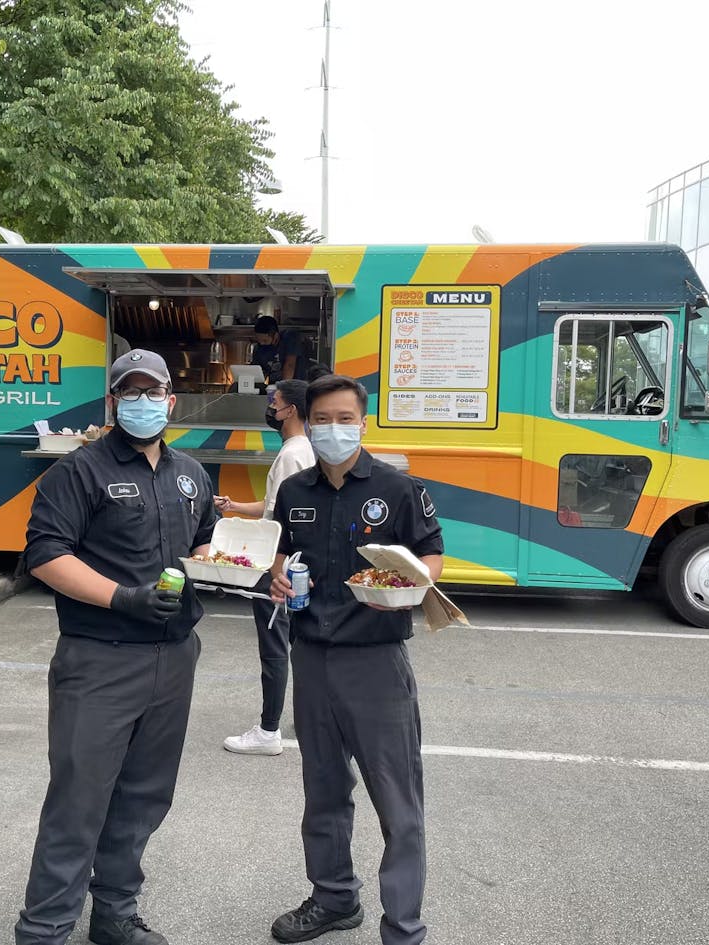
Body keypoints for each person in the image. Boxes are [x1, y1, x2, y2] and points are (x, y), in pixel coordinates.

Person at [16, 349, 219, 945]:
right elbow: (46, 556)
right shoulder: (78, 472)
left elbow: (205, 542)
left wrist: (232, 563)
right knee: (79, 799)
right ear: (112, 402)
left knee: (145, 796)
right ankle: (45, 928)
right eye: (129, 392)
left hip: (174, 657)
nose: (143, 402)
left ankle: (114, 914)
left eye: (152, 392)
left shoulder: (191, 473)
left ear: (170, 401)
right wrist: (122, 599)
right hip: (100, 656)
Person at [267, 374, 445, 945]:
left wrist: (411, 582)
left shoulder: (398, 488)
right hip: (312, 658)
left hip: (376, 661)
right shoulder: (295, 493)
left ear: (363, 423)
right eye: (324, 419)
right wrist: (275, 577)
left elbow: (432, 556)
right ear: (307, 422)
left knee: (397, 798)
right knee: (322, 790)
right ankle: (334, 898)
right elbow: (280, 558)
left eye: (346, 419)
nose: (334, 429)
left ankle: (403, 926)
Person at [213, 379, 315, 755]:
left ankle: (269, 731)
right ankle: (307, 717)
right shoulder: (301, 450)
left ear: (291, 410)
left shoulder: (292, 454)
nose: (271, 407)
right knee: (296, 643)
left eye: (275, 401)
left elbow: (284, 520)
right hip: (293, 562)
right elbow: (277, 506)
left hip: (278, 562)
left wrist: (275, 571)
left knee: (273, 647)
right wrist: (237, 506)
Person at [251, 314, 307, 383]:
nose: (262, 344)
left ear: (276, 335)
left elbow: (290, 365)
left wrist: (284, 388)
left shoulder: (290, 337)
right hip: (273, 387)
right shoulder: (258, 348)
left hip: (296, 385)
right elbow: (257, 372)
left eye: (265, 341)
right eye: (259, 341)